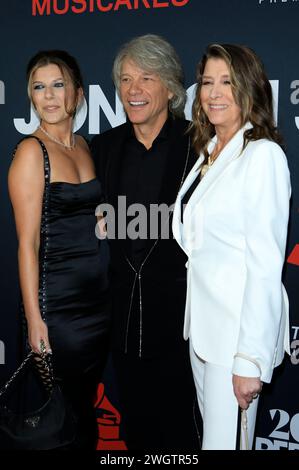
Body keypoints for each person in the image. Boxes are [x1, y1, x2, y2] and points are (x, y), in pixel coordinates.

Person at [172, 43, 291, 450]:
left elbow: (265, 265)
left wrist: (250, 360)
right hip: (204, 333)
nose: (214, 93)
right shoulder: (209, 153)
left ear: (250, 90)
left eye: (227, 82)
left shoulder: (263, 156)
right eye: (207, 82)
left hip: (236, 338)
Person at [91, 34, 200, 452]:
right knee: (136, 433)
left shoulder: (202, 147)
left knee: (184, 435)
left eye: (146, 78)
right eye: (125, 79)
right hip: (123, 324)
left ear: (171, 88)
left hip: (186, 326)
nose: (133, 90)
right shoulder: (103, 148)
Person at [8, 50, 110, 449]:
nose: (48, 96)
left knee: (85, 411)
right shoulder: (32, 152)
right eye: (39, 87)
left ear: (78, 94)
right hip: (57, 309)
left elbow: (93, 218)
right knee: (65, 421)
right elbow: (27, 244)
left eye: (58, 85)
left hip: (98, 306)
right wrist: (35, 321)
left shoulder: (84, 146)